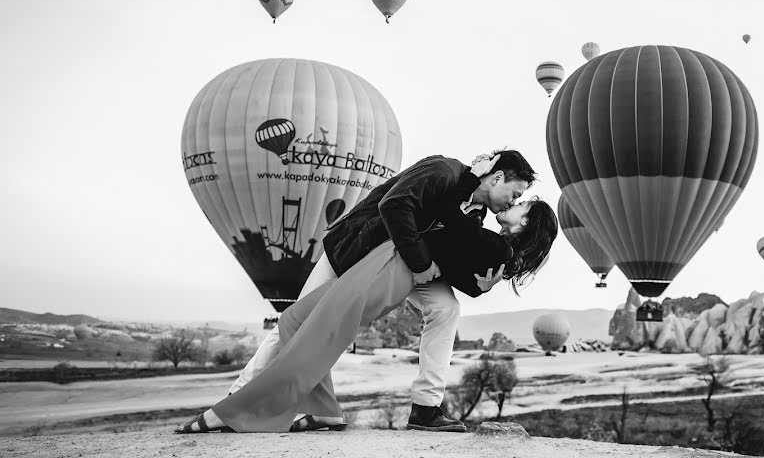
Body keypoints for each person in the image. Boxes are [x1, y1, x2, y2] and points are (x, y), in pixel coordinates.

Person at [175, 184, 558, 433]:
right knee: (296, 321)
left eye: (522, 202)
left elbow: (450, 228)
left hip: (389, 270)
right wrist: (475, 283)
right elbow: (453, 255)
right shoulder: (487, 232)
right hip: (376, 258)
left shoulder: (497, 244)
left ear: (526, 221)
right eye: (518, 194)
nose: (515, 201)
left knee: (320, 332)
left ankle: (234, 409)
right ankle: (325, 410)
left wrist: (470, 181)